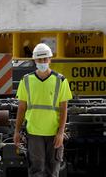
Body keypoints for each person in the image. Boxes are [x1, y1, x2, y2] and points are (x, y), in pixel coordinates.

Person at [14, 43, 73, 177]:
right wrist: (17, 131)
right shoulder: (26, 80)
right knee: (36, 170)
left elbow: (64, 109)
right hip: (34, 133)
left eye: (45, 59)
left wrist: (60, 133)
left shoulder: (61, 80)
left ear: (50, 59)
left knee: (53, 170)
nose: (43, 62)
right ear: (34, 60)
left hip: (53, 133)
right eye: (40, 59)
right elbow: (22, 108)